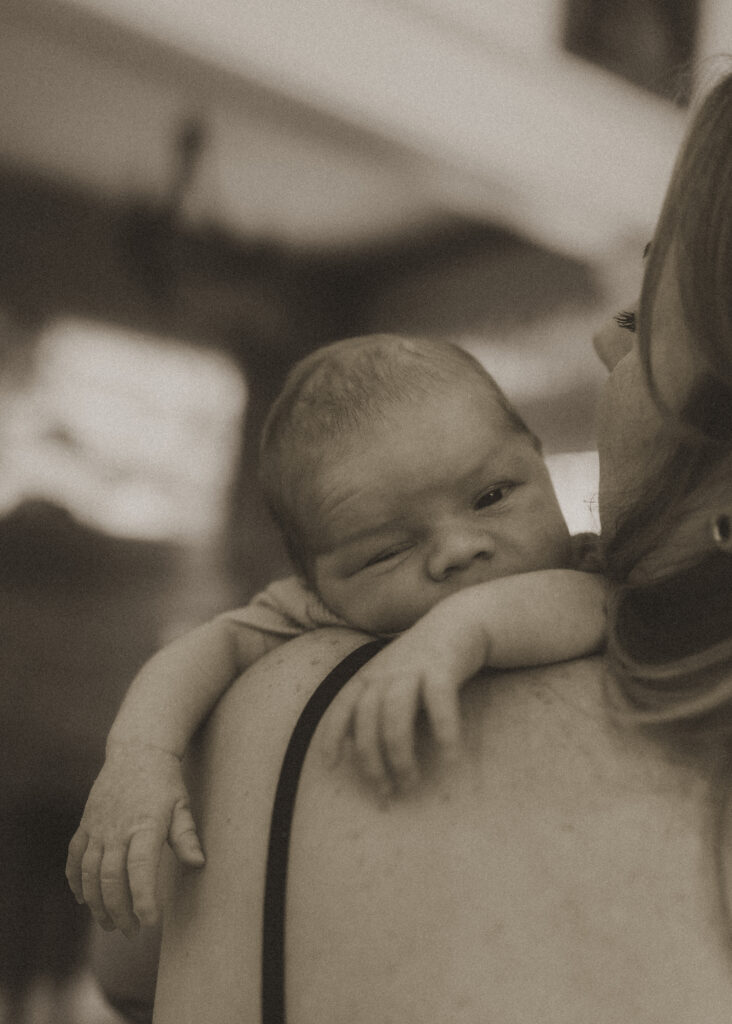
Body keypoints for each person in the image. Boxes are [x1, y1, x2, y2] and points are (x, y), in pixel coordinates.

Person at [146, 71, 732, 1022]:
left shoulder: (291, 710)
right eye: (380, 548)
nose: (603, 340)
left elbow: (133, 963)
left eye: (645, 310)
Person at [66, 334, 606, 937]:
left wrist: (467, 627)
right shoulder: (320, 611)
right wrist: (141, 757)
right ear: (313, 580)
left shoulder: (592, 569)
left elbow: (596, 607)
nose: (457, 549)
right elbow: (208, 647)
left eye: (491, 497)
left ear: (538, 456)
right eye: (388, 551)